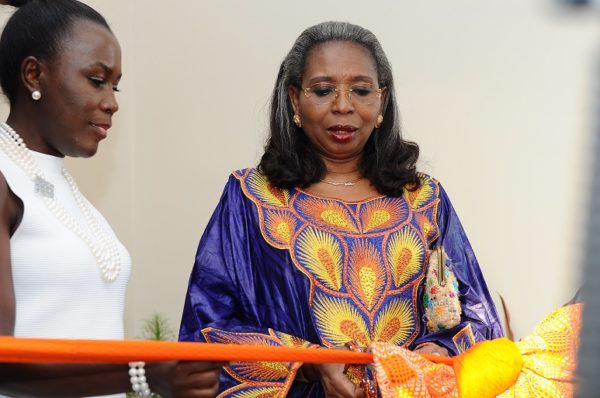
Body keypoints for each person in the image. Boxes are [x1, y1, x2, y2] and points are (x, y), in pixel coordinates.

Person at [179, 21, 503, 397]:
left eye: (361, 90)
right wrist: (308, 364)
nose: (343, 105)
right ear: (294, 99)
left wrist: (437, 352)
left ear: (382, 100)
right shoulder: (251, 197)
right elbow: (205, 329)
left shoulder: (424, 200)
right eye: (323, 90)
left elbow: (478, 320)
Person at [0, 1, 221, 396]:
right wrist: (147, 374)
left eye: (114, 86)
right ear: (34, 74)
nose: (112, 102)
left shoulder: (60, 187)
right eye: (96, 80)